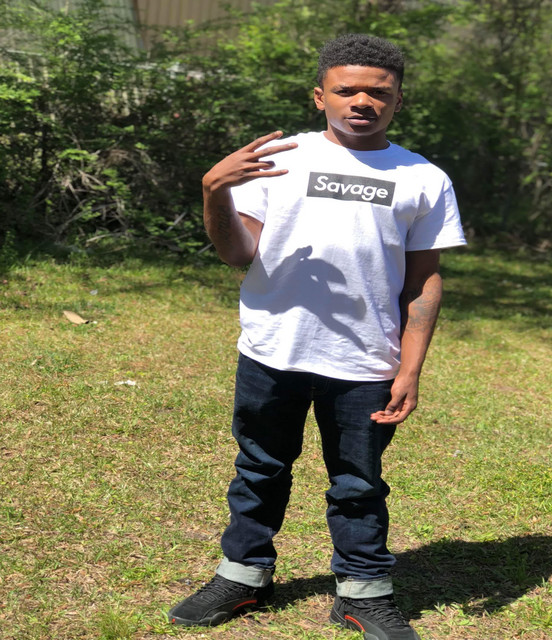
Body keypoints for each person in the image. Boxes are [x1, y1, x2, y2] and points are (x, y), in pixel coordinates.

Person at [167, 33, 466, 640]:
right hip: (272, 349)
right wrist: (213, 190)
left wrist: (410, 369)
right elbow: (237, 253)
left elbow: (423, 281)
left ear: (399, 100)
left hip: (367, 361)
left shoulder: (424, 178)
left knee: (358, 483)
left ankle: (363, 594)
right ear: (319, 96)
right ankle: (244, 576)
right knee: (259, 467)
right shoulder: (280, 158)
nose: (362, 101)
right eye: (346, 89)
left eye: (378, 92)